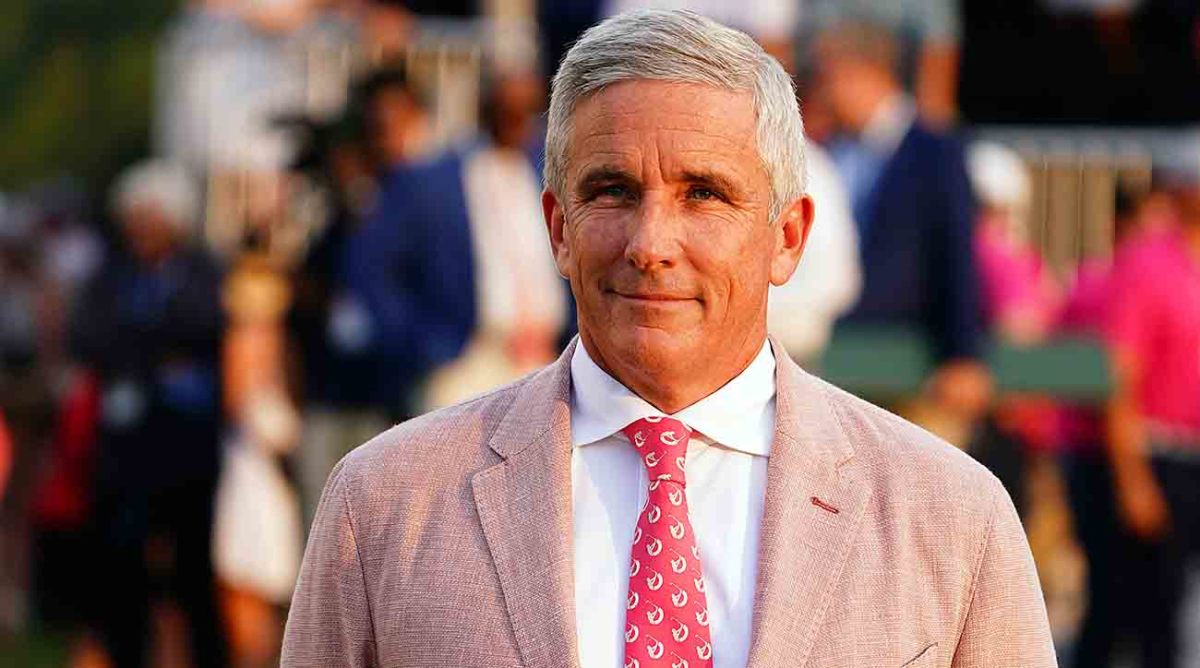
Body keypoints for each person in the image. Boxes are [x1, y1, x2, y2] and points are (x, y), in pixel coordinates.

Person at [282, 10, 1054, 667]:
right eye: (612, 190)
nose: (651, 242)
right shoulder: (384, 503)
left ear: (787, 237)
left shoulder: (951, 515)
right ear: (557, 229)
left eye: (704, 194)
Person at [72, 160, 228, 668]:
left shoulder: (202, 271)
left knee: (192, 573)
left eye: (151, 214)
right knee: (123, 572)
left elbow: (204, 327)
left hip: (187, 450)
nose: (140, 226)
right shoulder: (111, 276)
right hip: (125, 451)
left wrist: (148, 348)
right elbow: (90, 336)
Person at [816, 21, 989, 424]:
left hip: (917, 369)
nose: (822, 92)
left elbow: (956, 253)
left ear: (863, 72)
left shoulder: (937, 150)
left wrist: (963, 353)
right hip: (838, 365)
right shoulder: (832, 152)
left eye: (827, 78)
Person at [1096, 170, 1200, 668]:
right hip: (1159, 458)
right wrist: (1132, 477)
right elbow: (1121, 377)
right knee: (1149, 622)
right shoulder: (1149, 263)